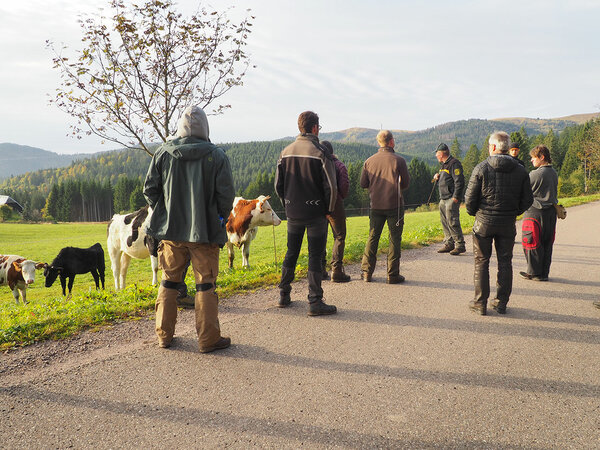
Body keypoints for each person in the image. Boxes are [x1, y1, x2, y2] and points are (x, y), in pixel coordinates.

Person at [144, 105, 235, 352]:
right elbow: (226, 196)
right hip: (204, 233)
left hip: (171, 233)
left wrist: (165, 213)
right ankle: (208, 339)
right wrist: (218, 218)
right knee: (205, 284)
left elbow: (150, 190)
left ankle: (164, 336)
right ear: (206, 127)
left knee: (169, 281)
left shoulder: (163, 153)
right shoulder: (217, 156)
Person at [275, 111, 338, 316]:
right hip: (316, 212)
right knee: (315, 255)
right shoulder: (320, 152)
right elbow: (331, 186)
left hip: (293, 211)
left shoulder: (285, 152)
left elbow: (278, 185)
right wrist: (328, 209)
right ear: (314, 128)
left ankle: (284, 294)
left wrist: (287, 204)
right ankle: (314, 301)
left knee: (291, 252)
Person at [464, 131, 533, 315]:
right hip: (507, 222)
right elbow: (528, 200)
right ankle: (501, 302)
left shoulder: (481, 168)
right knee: (505, 262)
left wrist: (476, 213)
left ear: (493, 147)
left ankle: (480, 303)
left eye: (489, 145)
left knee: (481, 262)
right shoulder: (520, 170)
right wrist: (513, 212)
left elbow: (469, 200)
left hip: (484, 222)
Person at [360, 130, 410, 284]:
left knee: (373, 237)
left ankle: (367, 272)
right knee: (394, 239)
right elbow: (406, 183)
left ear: (379, 142)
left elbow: (363, 184)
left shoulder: (369, 161)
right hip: (394, 205)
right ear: (391, 142)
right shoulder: (399, 160)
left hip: (375, 206)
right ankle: (392, 275)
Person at [519, 145, 559, 282]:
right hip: (551, 213)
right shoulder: (553, 172)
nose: (531, 160)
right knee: (547, 242)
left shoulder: (535, 174)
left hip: (535, 212)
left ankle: (534, 272)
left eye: (533, 157)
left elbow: (523, 191)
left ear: (542, 157)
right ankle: (543, 273)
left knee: (532, 242)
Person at [321, 140, 351, 283]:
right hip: (335, 204)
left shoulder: (316, 165)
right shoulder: (339, 165)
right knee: (339, 236)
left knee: (320, 236)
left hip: (318, 205)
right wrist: (339, 197)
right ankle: (336, 270)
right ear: (332, 151)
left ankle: (320, 269)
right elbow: (344, 187)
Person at [433, 143, 466, 255]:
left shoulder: (454, 164)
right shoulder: (444, 165)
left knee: (453, 221)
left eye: (437, 154)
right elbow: (447, 180)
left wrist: (456, 197)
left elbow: (459, 181)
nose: (436, 156)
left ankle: (460, 245)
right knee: (445, 222)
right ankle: (449, 243)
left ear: (441, 154)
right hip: (443, 198)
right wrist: (438, 178)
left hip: (451, 198)